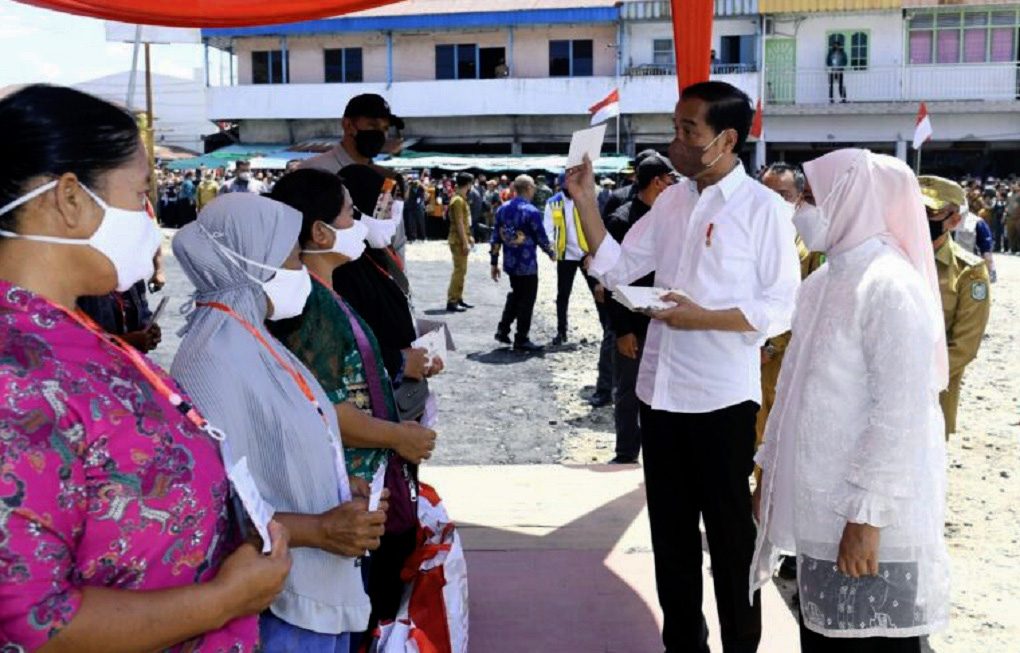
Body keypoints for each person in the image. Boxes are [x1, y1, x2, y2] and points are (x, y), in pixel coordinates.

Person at [0, 84, 290, 652]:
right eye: (140, 194)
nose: (148, 217)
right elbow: (34, 622)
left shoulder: (67, 330)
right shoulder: (15, 374)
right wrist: (226, 600)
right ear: (70, 199)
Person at [567, 80, 801, 653]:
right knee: (670, 540)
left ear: (725, 139)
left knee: (729, 539)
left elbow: (781, 306)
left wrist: (706, 318)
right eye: (675, 128)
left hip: (721, 397)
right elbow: (620, 267)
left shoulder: (764, 209)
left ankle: (741, 644)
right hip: (659, 394)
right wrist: (587, 203)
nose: (676, 142)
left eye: (687, 131)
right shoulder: (672, 200)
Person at [752, 149, 951, 652]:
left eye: (815, 198)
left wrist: (865, 517)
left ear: (855, 201)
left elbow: (899, 413)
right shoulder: (823, 282)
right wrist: (770, 477)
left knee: (874, 641)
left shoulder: (890, 285)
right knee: (822, 637)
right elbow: (793, 394)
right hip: (820, 513)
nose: (802, 208)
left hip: (866, 525)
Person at [171, 193, 388, 651]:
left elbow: (281, 445)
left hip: (310, 585)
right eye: (290, 258)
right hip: (278, 603)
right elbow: (217, 505)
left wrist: (339, 486)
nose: (300, 271)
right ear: (249, 262)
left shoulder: (251, 335)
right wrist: (321, 528)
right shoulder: (212, 355)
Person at [267, 169, 439, 636]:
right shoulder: (312, 308)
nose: (358, 223)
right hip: (343, 489)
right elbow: (327, 409)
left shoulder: (326, 294)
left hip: (360, 486)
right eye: (350, 213)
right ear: (320, 232)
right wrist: (400, 436)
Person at [604, 153, 675, 464]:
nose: (675, 185)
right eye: (671, 180)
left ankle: (660, 451)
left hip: (667, 318)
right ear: (657, 182)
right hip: (634, 322)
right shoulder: (622, 220)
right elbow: (613, 281)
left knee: (664, 391)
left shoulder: (672, 217)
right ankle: (626, 452)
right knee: (630, 389)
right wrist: (623, 330)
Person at [918, 176, 991, 437]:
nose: (920, 218)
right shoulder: (889, 257)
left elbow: (964, 346)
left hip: (930, 394)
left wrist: (913, 378)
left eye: (931, 212)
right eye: (915, 208)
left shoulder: (968, 273)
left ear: (954, 220)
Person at [491, 174, 556, 352]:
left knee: (516, 294)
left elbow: (495, 237)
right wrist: (551, 252)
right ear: (528, 188)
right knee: (527, 300)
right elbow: (541, 236)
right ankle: (521, 337)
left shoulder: (502, 209)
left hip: (511, 262)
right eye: (533, 186)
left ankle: (503, 329)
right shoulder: (531, 211)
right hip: (527, 264)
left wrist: (494, 263)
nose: (534, 189)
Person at [301, 94, 404, 174]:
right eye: (372, 125)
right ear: (348, 125)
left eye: (385, 128)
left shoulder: (381, 176)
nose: (380, 133)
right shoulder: (314, 171)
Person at [447, 172, 475, 312]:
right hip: (457, 240)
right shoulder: (458, 200)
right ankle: (452, 300)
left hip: (460, 238)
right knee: (459, 270)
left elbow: (464, 222)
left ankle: (458, 297)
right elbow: (459, 223)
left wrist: (469, 237)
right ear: (468, 184)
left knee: (462, 270)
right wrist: (465, 242)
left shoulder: (460, 199)